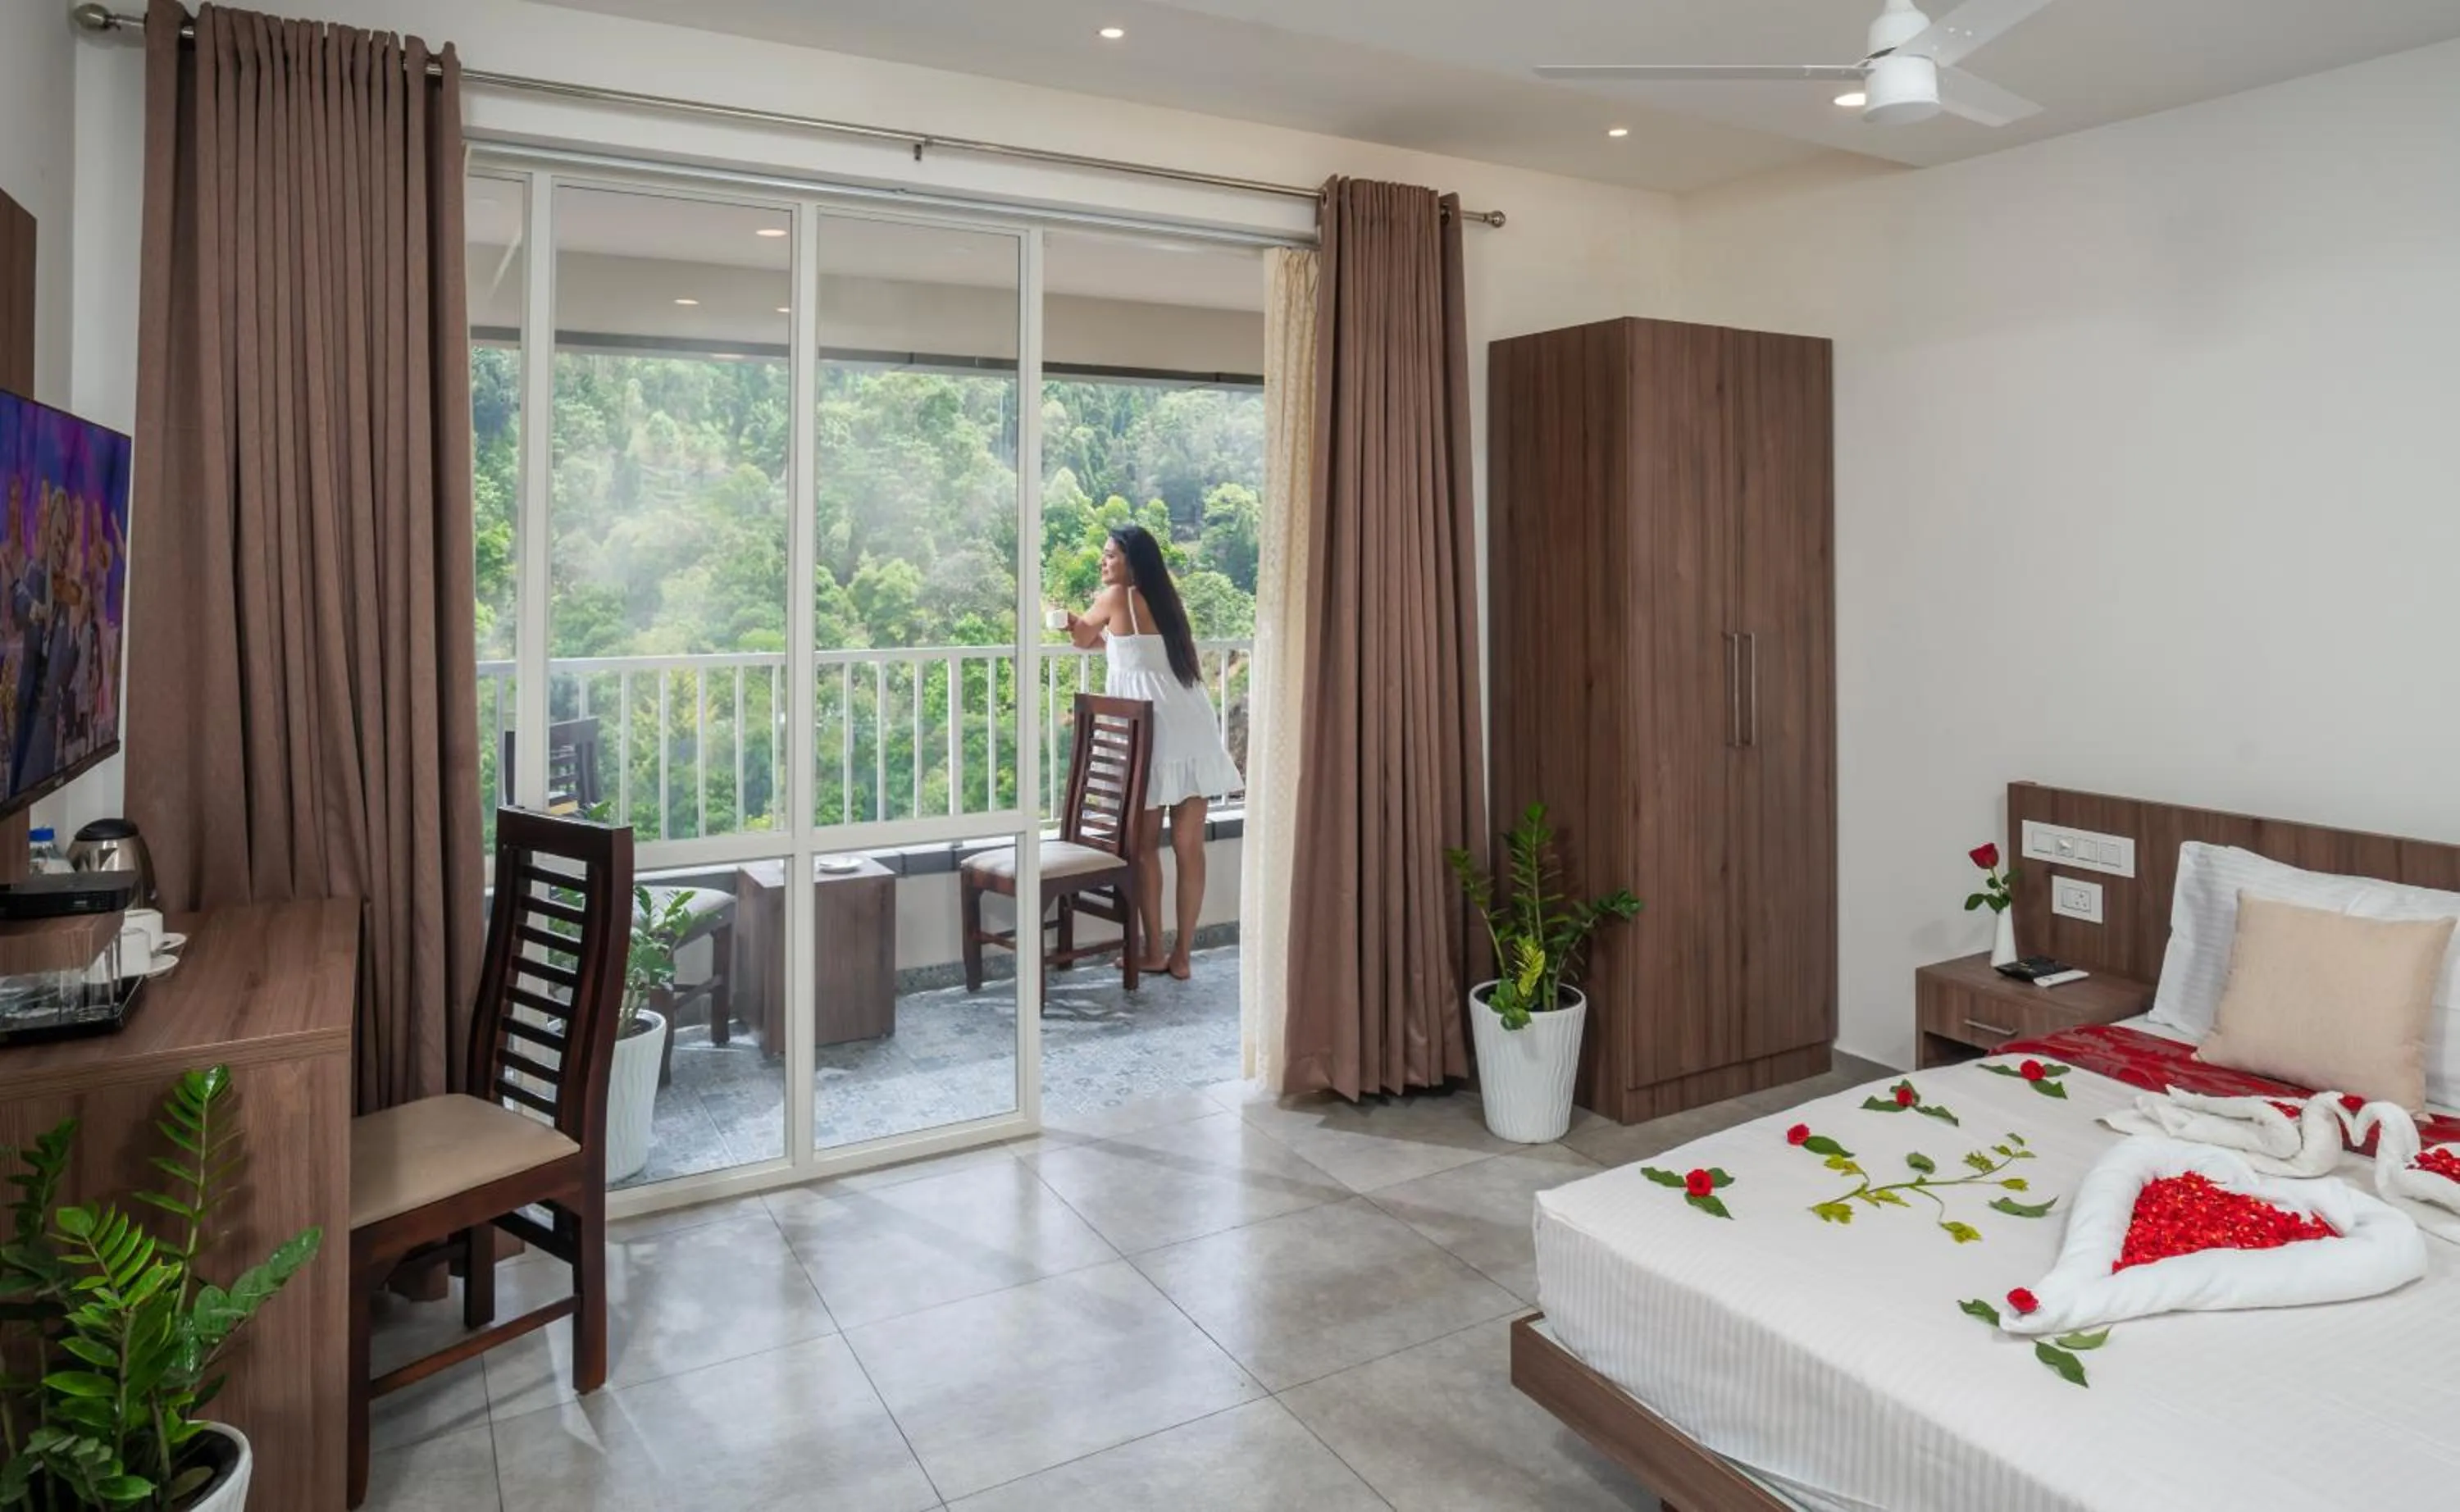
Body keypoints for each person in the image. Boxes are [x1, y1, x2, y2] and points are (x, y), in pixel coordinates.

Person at [1064, 524, 1244, 981]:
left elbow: (1083, 637)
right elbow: (1133, 654)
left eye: (1109, 555)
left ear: (1131, 562)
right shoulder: (1165, 601)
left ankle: (1152, 950)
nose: (1102, 563)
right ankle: (1183, 955)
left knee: (1143, 848)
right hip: (1194, 724)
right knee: (1189, 848)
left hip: (1153, 733)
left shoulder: (1116, 597)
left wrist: (1063, 618)